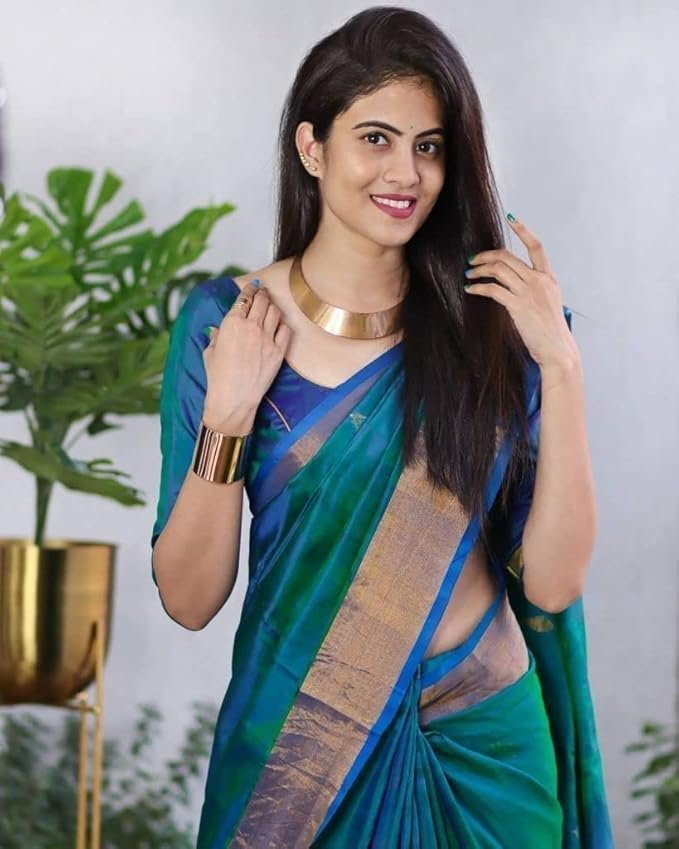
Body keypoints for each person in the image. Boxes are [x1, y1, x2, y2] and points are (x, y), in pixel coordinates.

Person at [150, 6, 613, 847]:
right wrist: (228, 414)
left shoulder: (496, 328)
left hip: (484, 751)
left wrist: (561, 365)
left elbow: (552, 584)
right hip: (298, 758)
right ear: (311, 147)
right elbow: (188, 599)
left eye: (428, 146)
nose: (406, 172)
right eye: (375, 138)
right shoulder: (229, 325)